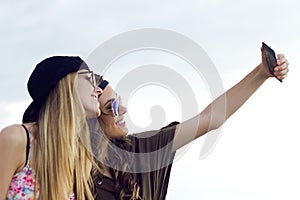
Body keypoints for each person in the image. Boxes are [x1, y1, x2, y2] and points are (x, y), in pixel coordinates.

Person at [92, 46, 289, 200]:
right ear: (91, 116)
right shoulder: (71, 172)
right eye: (113, 106)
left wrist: (262, 72)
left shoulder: (140, 150)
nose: (124, 110)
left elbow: (210, 118)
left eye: (120, 101)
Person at [0, 56, 102, 199]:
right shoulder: (16, 138)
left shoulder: (82, 156)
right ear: (65, 83)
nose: (98, 89)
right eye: (89, 78)